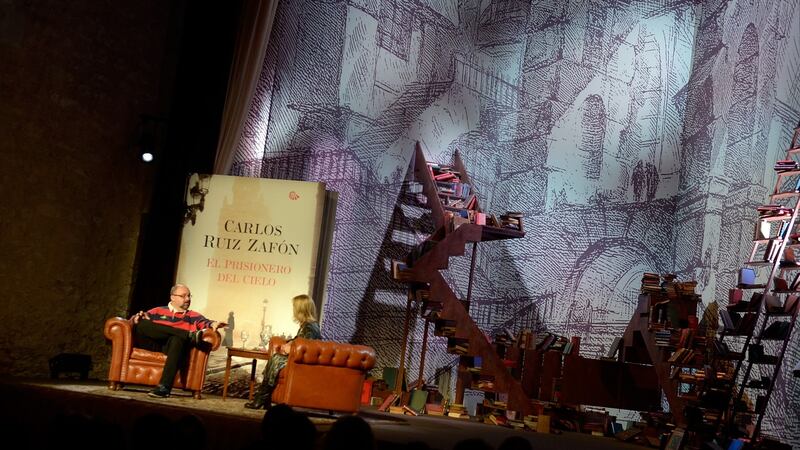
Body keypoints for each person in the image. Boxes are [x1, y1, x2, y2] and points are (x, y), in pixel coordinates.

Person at [131, 283, 225, 398]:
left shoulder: (193, 316)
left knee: (177, 339)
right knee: (142, 324)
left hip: (173, 348)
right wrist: (137, 317)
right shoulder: (158, 311)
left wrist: (213, 323)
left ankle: (164, 388)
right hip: (152, 343)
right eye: (183, 296)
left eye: (189, 296)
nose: (187, 299)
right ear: (172, 297)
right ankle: (189, 335)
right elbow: (139, 321)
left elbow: (206, 323)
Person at [244, 294, 321, 409]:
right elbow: (298, 340)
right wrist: (289, 344)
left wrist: (290, 348)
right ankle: (264, 398)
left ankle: (261, 398)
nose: (293, 310)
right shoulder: (307, 325)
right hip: (297, 359)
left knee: (276, 359)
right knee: (276, 358)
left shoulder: (310, 327)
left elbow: (304, 347)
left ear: (301, 310)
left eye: (295, 307)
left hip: (303, 363)